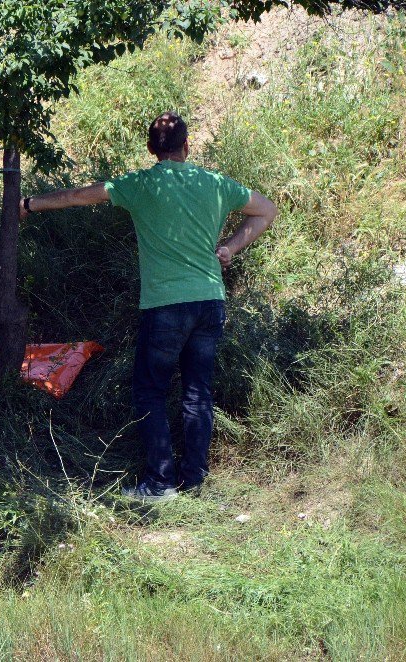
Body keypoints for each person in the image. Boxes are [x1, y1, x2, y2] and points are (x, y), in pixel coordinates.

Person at [21, 112, 278, 502]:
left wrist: (28, 204)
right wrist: (229, 247)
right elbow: (266, 210)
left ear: (150, 150)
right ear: (187, 147)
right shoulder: (214, 183)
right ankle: (194, 480)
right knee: (198, 392)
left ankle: (159, 483)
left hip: (165, 306)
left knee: (150, 391)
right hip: (209, 301)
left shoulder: (139, 185)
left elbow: (78, 196)